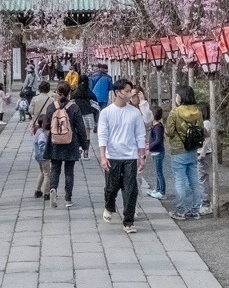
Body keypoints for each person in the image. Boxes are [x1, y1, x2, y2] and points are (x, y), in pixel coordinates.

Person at [97, 78, 146, 234]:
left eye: (130, 90)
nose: (129, 93)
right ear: (118, 92)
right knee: (111, 188)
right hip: (113, 155)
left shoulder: (135, 112)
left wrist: (141, 155)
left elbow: (140, 134)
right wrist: (103, 156)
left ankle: (128, 221)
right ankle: (109, 206)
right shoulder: (106, 113)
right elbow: (102, 135)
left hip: (130, 156)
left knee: (131, 189)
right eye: (126, 91)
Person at [41, 82, 90, 208]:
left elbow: (46, 125)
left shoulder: (52, 107)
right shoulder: (74, 108)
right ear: (69, 93)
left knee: (55, 168)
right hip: (70, 142)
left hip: (55, 142)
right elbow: (80, 127)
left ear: (57, 92)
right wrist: (85, 145)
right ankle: (68, 198)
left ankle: (53, 189)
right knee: (69, 171)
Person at [165, 84, 205, 220]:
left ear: (181, 97)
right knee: (194, 181)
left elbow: (169, 131)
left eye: (177, 95)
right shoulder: (198, 111)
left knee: (180, 181)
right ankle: (195, 209)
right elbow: (201, 130)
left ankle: (180, 210)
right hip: (192, 149)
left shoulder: (175, 112)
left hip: (178, 149)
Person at [28, 81, 54, 200]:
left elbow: (31, 111)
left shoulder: (35, 98)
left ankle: (38, 190)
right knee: (47, 172)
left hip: (38, 124)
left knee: (42, 170)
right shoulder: (52, 98)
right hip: (48, 126)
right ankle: (46, 192)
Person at [71, 75, 100, 140]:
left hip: (77, 115)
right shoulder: (90, 93)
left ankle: (80, 148)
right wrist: (96, 120)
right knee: (87, 135)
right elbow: (96, 107)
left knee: (78, 134)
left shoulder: (74, 93)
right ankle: (86, 149)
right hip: (88, 114)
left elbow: (71, 105)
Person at [198, 101, 214, 215]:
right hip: (200, 153)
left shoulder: (206, 123)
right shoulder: (202, 123)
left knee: (202, 179)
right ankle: (204, 201)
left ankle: (206, 203)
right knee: (201, 179)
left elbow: (207, 141)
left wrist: (201, 154)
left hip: (204, 154)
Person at [147, 106, 166, 199]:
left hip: (158, 152)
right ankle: (158, 189)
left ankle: (162, 191)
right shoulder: (155, 126)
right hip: (155, 152)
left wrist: (149, 146)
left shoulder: (158, 127)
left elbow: (158, 140)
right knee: (157, 172)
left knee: (159, 172)